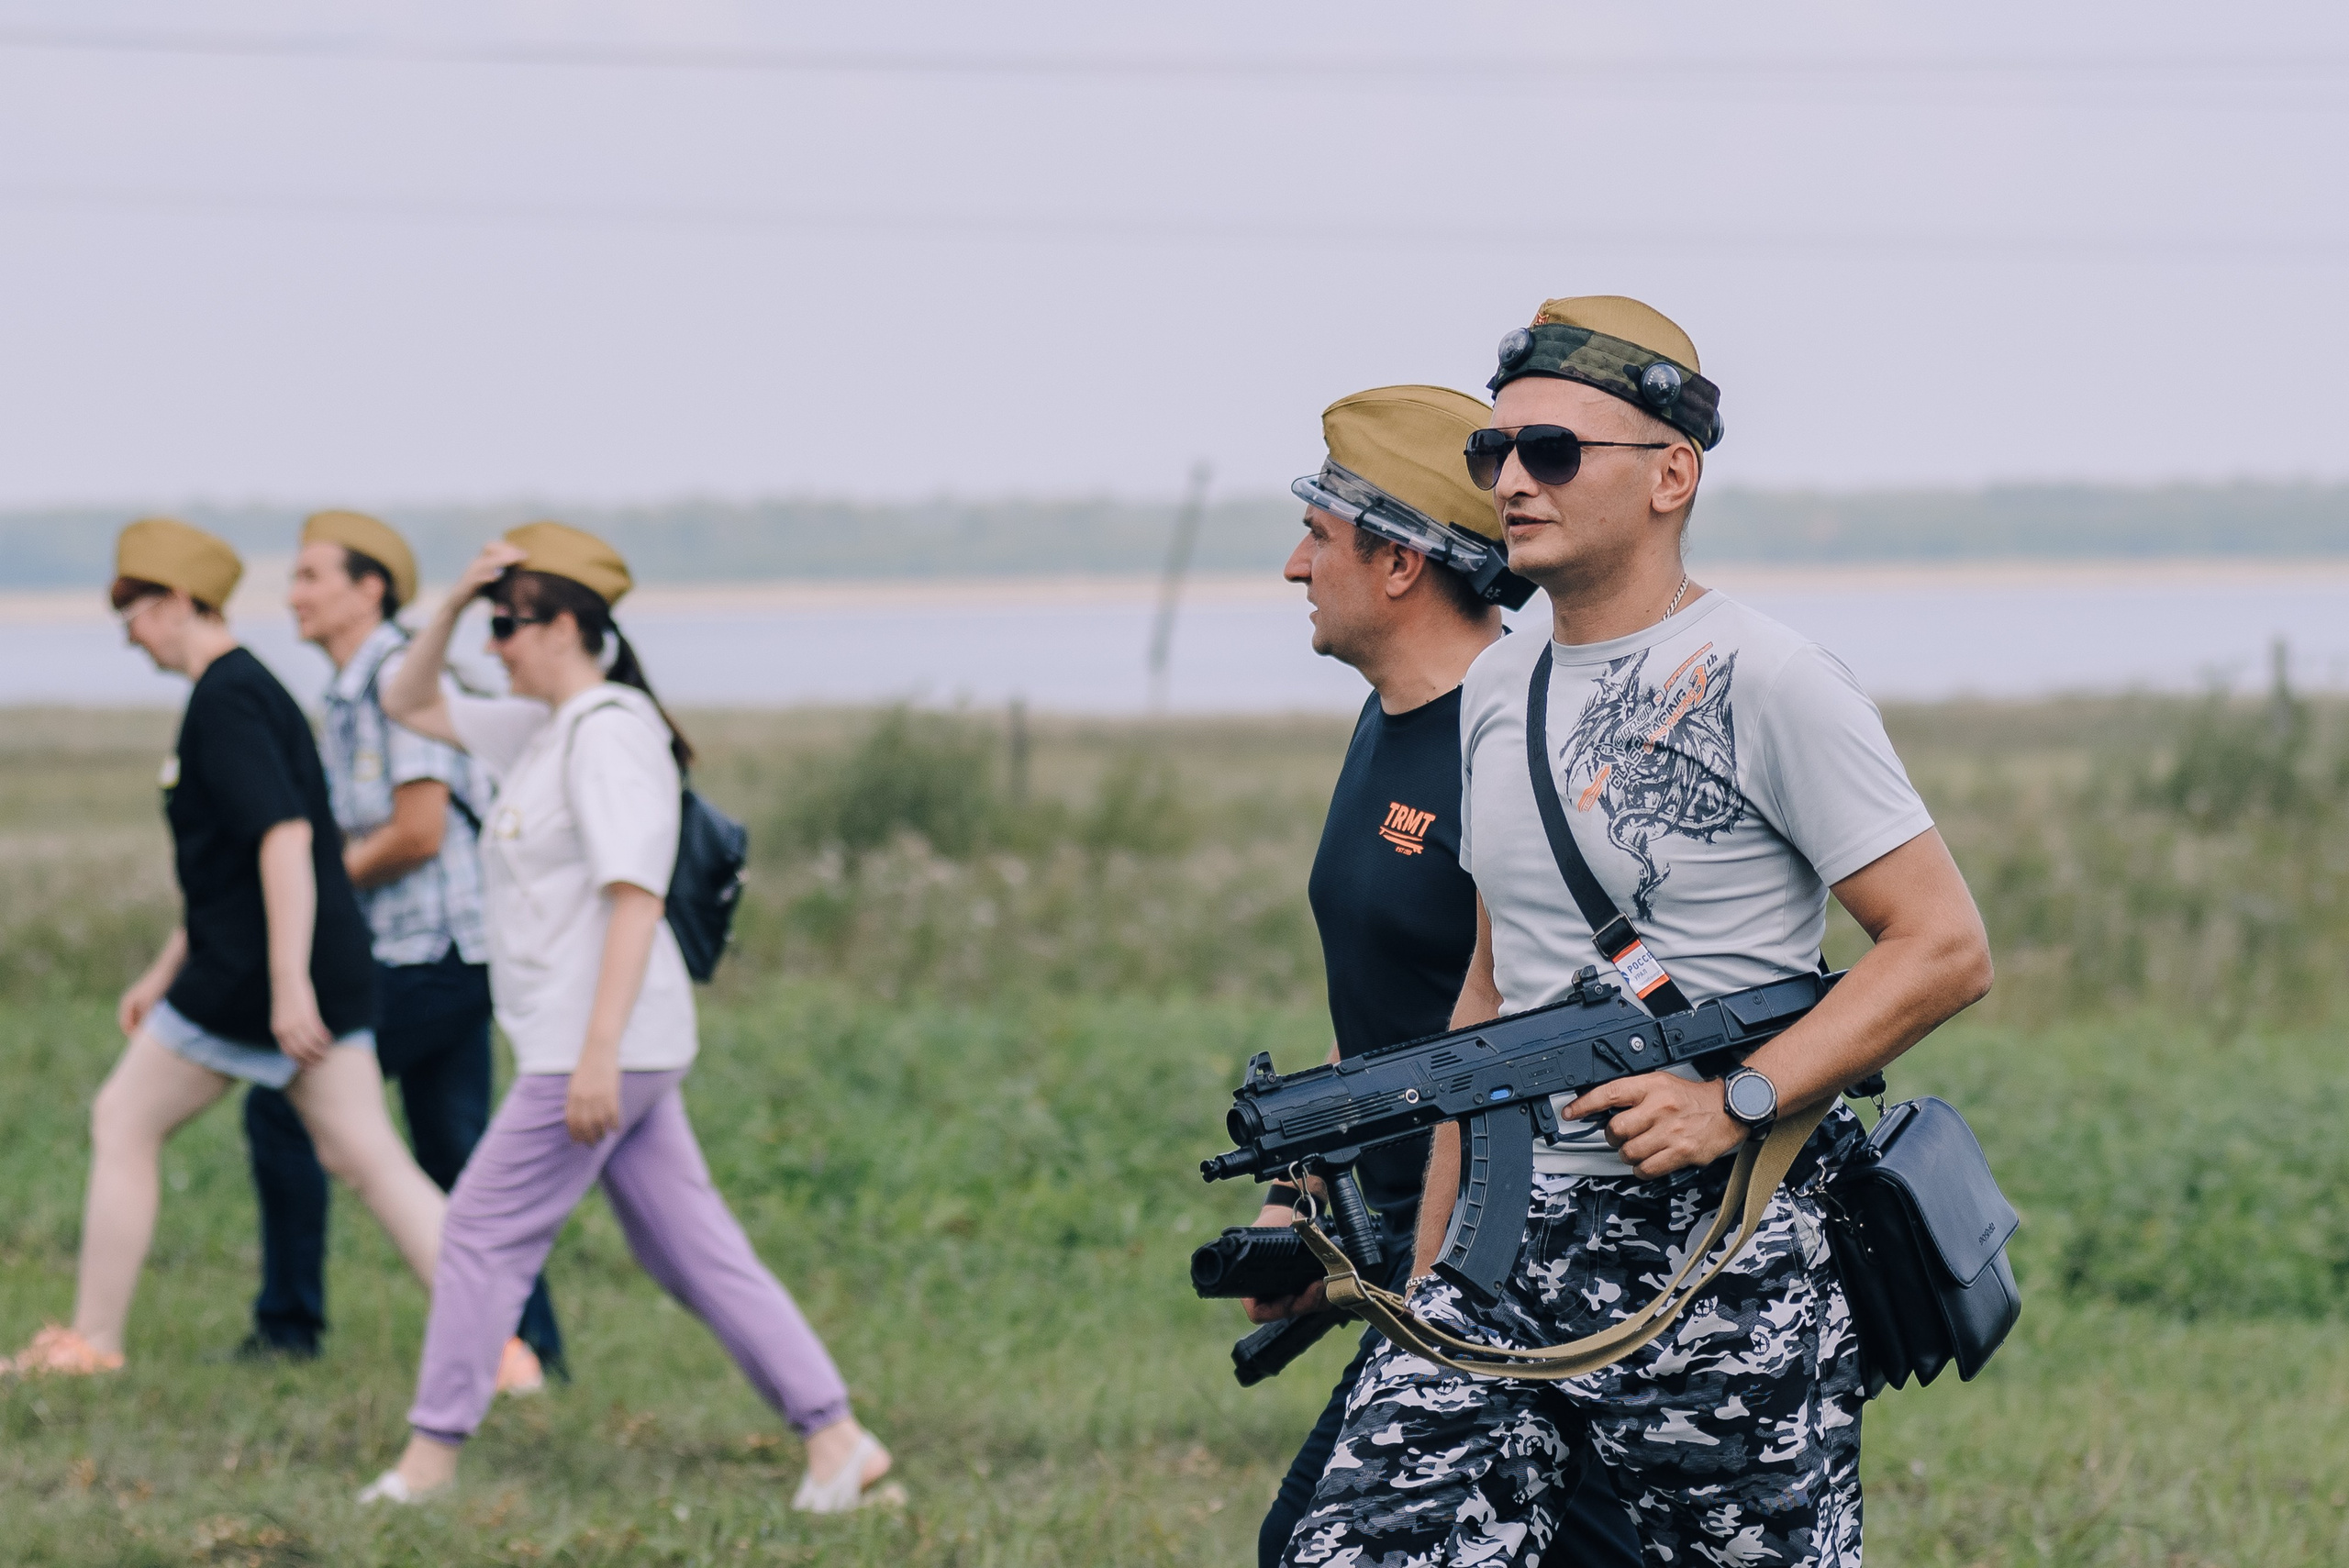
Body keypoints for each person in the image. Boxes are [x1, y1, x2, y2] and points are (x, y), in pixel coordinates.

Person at [1280, 298, 1996, 1567]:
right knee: (1346, 1545)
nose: (1511, 480)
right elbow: (1488, 1000)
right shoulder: (1499, 686)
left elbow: (1941, 945)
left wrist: (1741, 1097)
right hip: (1508, 1249)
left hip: (1720, 1257)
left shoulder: (1766, 676)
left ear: (1673, 474)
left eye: (1552, 452)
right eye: (1495, 454)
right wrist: (1431, 1281)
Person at [358, 522, 896, 1510]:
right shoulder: (541, 727)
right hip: (605, 1043)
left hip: (595, 1044)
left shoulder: (610, 732)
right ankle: (838, 1437)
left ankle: (428, 1461)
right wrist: (450, 601)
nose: (494, 644)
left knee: (477, 1228)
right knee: (692, 1251)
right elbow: (407, 696)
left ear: (565, 625)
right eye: (490, 623)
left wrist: (597, 1054)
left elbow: (634, 895)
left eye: (508, 624)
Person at [1253, 387, 1642, 1568]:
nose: (1290, 566)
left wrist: (1444, 1280)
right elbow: (1389, 1006)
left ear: (1401, 562)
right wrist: (1303, 1196)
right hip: (1412, 1252)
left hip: (1517, 1264)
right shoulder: (1391, 720)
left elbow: (1573, 1021)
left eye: (1317, 534)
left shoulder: (1516, 740)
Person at [4, 519, 448, 1376]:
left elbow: (282, 839)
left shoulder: (228, 698)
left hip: (259, 977)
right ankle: (499, 1348)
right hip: (302, 965)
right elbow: (233, 869)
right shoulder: (246, 691)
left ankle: (92, 1342)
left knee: (123, 1119)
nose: (129, 635)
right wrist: (164, 967)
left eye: (133, 612)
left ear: (175, 603)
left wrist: (286, 987)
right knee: (370, 1157)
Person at [234, 510, 563, 1390]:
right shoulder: (345, 691)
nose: (293, 595)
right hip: (431, 950)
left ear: (368, 587)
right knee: (457, 1152)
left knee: (285, 1105)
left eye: (311, 577)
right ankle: (534, 1346)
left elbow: (416, 832)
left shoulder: (395, 678)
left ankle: (290, 1324)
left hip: (432, 951)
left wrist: (320, 892)